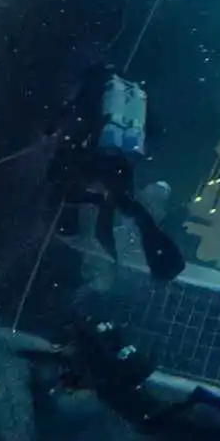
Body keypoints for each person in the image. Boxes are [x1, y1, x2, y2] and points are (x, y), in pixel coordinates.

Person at [49, 65, 186, 281]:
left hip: (109, 158)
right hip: (108, 161)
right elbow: (62, 190)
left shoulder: (117, 174)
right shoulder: (115, 180)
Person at [40, 317, 220, 430]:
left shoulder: (87, 345)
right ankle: (211, 406)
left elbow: (108, 354)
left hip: (124, 377)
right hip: (125, 377)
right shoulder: (86, 343)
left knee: (153, 419)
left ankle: (210, 405)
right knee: (154, 418)